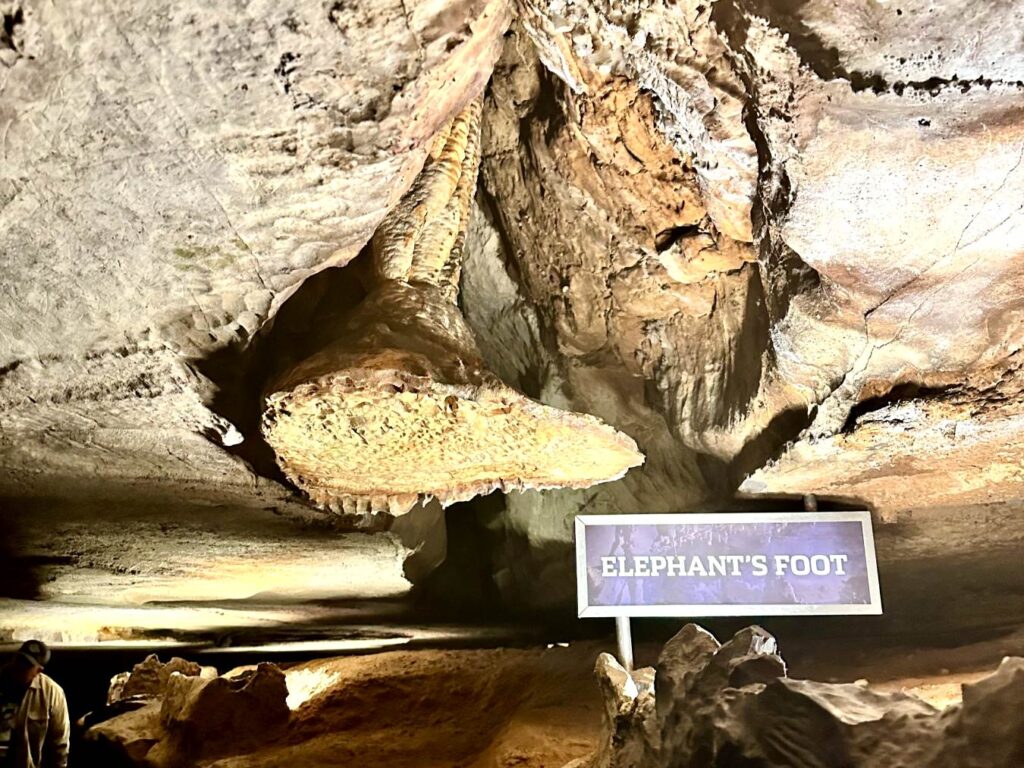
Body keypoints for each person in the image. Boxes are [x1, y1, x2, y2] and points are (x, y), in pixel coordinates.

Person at [0, 641, 69, 768]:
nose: (19, 666)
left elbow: (60, 742)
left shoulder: (52, 693)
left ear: (38, 670)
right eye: (19, 659)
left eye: (27, 665)